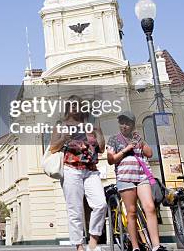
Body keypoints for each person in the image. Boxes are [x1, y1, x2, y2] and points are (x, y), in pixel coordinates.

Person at [50, 96, 107, 251]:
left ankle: (93, 243)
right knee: (74, 209)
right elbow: (53, 148)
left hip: (91, 170)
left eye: (78, 105)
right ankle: (79, 246)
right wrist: (63, 139)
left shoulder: (90, 125)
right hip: (71, 169)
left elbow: (101, 149)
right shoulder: (61, 125)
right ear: (68, 108)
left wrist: (99, 133)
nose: (75, 108)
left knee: (101, 204)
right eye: (72, 105)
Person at [107, 112, 167, 251]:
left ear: (132, 125)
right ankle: (135, 247)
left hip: (142, 177)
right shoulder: (114, 139)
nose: (124, 126)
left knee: (150, 208)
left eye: (127, 123)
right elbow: (111, 160)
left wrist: (140, 141)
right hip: (125, 178)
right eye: (122, 122)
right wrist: (126, 150)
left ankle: (156, 246)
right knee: (132, 212)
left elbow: (149, 153)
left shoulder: (137, 138)